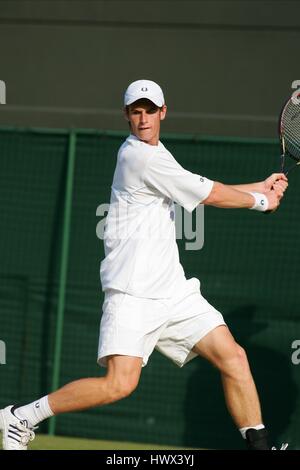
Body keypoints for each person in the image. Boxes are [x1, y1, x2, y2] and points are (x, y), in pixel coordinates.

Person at [0, 80, 289, 451]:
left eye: (149, 110)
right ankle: (21, 416)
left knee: (233, 356)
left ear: (163, 112)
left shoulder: (160, 154)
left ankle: (260, 446)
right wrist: (260, 202)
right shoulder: (138, 156)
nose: (143, 118)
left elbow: (196, 188)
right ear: (126, 115)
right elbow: (211, 194)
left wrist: (259, 187)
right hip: (133, 293)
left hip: (173, 291)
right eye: (135, 111)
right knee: (119, 385)